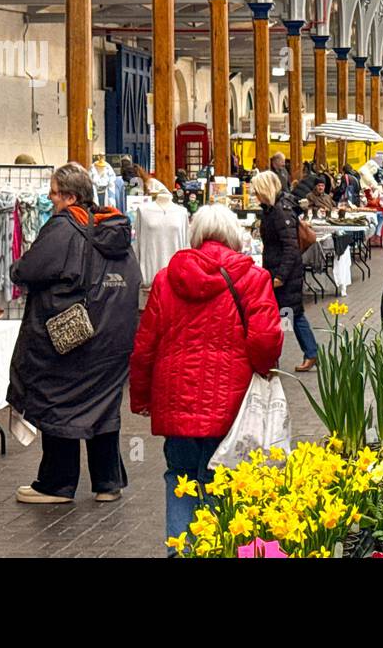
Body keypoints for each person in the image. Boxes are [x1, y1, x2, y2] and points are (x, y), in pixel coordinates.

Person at [130, 204, 283, 553]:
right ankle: (217, 549)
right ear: (234, 236)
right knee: (220, 479)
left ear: (195, 235)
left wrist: (141, 399)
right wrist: (262, 369)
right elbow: (266, 339)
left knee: (180, 478)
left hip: (175, 405)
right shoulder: (253, 279)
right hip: (231, 404)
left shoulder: (166, 278)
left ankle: (181, 550)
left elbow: (144, 348)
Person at [8, 162, 141, 504]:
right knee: (103, 405)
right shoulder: (115, 227)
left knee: (60, 402)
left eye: (53, 193)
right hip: (114, 336)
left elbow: (29, 269)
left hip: (73, 335)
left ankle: (56, 484)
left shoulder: (65, 227)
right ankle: (107, 483)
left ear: (69, 196)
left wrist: (16, 268)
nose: (49, 199)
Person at [252, 170, 318, 371]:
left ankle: (302, 354)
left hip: (283, 273)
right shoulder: (275, 209)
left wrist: (280, 275)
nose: (255, 195)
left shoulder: (280, 211)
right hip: (280, 270)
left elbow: (290, 247)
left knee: (288, 314)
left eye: (257, 191)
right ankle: (309, 353)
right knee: (289, 314)